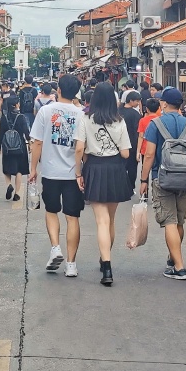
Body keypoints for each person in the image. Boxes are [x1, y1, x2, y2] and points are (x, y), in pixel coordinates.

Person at [139, 87, 186, 282]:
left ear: (164, 104)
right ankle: (172, 258)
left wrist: (143, 180)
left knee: (169, 221)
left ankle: (179, 266)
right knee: (179, 221)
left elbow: (149, 154)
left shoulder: (155, 124)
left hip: (163, 178)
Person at [76, 81, 133, 286]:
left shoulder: (85, 118)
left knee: (101, 221)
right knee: (111, 219)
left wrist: (78, 172)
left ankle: (106, 266)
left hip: (94, 167)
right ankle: (105, 258)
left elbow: (79, 149)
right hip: (116, 169)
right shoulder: (120, 121)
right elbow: (126, 152)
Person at [29, 74, 84, 277]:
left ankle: (55, 248)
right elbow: (82, 147)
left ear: (58, 90)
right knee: (72, 217)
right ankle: (71, 264)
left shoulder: (45, 111)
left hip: (51, 172)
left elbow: (37, 143)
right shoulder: (81, 114)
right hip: (73, 174)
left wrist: (33, 168)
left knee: (51, 211)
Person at [1, 96, 31, 201]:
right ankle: (17, 193)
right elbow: (26, 132)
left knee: (7, 168)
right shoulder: (21, 117)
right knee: (19, 170)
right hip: (20, 146)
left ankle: (9, 184)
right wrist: (29, 142)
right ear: (16, 105)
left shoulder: (4, 117)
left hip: (7, 146)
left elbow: (1, 133)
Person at [119, 90, 142, 183]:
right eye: (137, 101)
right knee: (132, 168)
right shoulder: (136, 115)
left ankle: (121, 185)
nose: (138, 103)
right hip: (132, 145)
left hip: (119, 144)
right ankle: (131, 186)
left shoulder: (117, 111)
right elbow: (137, 132)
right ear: (131, 101)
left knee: (121, 166)